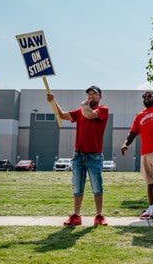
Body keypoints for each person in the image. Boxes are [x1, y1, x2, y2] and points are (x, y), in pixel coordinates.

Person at [47, 85, 110, 226]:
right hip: (78, 156)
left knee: (97, 186)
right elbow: (62, 115)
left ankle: (99, 216)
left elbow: (90, 115)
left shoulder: (103, 109)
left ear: (100, 97)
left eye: (94, 94)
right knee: (77, 186)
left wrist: (83, 106)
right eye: (88, 94)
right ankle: (76, 216)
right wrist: (53, 102)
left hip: (95, 156)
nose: (90, 97)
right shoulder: (80, 112)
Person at [121, 90, 153, 221]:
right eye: (144, 97)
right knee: (149, 182)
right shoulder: (139, 116)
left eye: (149, 96)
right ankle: (150, 208)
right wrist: (125, 144)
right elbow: (132, 133)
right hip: (145, 152)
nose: (146, 98)